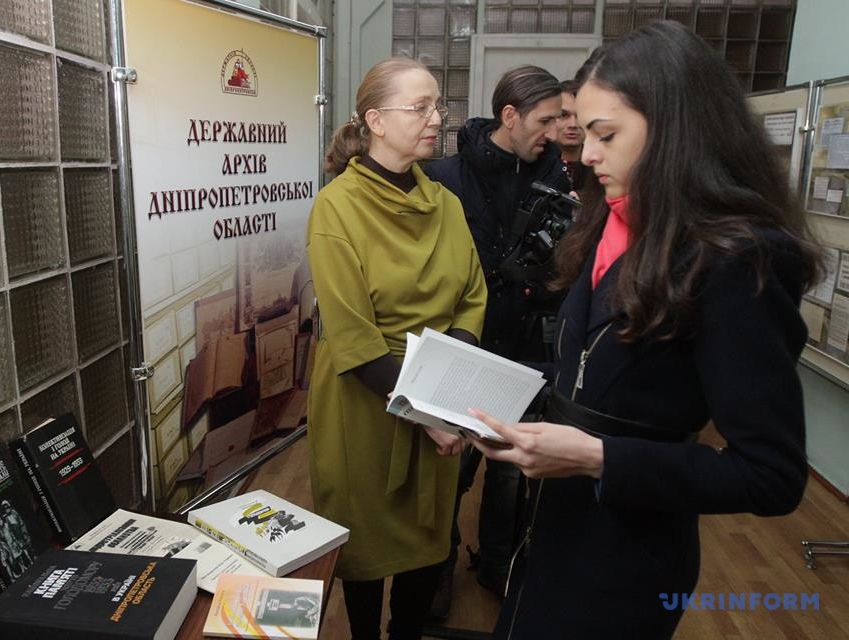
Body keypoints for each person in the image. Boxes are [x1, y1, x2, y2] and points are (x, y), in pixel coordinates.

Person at [466, 21, 821, 639]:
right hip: (552, 531)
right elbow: (591, 372)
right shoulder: (613, 220)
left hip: (627, 558)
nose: (586, 153)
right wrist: (482, 390)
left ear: (675, 131)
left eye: (605, 135)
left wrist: (596, 458)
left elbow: (771, 476)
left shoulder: (738, 260)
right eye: (584, 132)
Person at [307, 57, 487, 640]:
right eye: (421, 107)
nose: (438, 119)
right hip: (367, 399)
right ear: (376, 121)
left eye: (438, 106)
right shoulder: (337, 207)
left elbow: (473, 297)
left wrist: (445, 388)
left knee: (429, 536)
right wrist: (426, 410)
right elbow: (352, 333)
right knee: (365, 538)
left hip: (436, 391)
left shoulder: (446, 204)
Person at [423, 64, 569, 613]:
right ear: (510, 115)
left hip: (527, 348)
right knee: (450, 473)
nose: (554, 132)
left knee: (510, 476)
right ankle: (437, 568)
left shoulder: (559, 180)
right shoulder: (445, 175)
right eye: (545, 120)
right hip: (463, 345)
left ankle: (497, 567)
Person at [555, 79, 587, 193]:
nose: (573, 124)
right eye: (563, 115)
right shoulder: (533, 165)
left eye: (581, 115)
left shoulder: (603, 166)